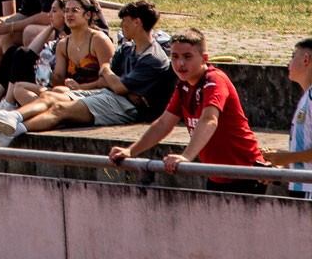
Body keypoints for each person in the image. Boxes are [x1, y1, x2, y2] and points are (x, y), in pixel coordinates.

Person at [0, 0, 174, 143]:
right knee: (51, 97)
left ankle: (11, 132)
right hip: (109, 95)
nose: (121, 25)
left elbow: (116, 84)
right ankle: (11, 118)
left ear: (137, 22)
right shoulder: (127, 48)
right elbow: (111, 82)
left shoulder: (152, 57)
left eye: (124, 21)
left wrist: (107, 71)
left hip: (127, 108)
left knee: (60, 109)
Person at [110, 28, 268, 192]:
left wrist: (186, 156)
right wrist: (130, 151)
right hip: (217, 175)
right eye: (175, 57)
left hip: (246, 174)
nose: (180, 64)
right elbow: (164, 123)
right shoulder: (183, 86)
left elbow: (209, 119)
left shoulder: (215, 80)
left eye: (187, 57)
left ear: (204, 59)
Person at [264, 36, 312, 194]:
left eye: (293, 56)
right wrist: (282, 164)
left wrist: (287, 158)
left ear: (306, 59)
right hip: (300, 187)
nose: (288, 63)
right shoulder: (306, 97)